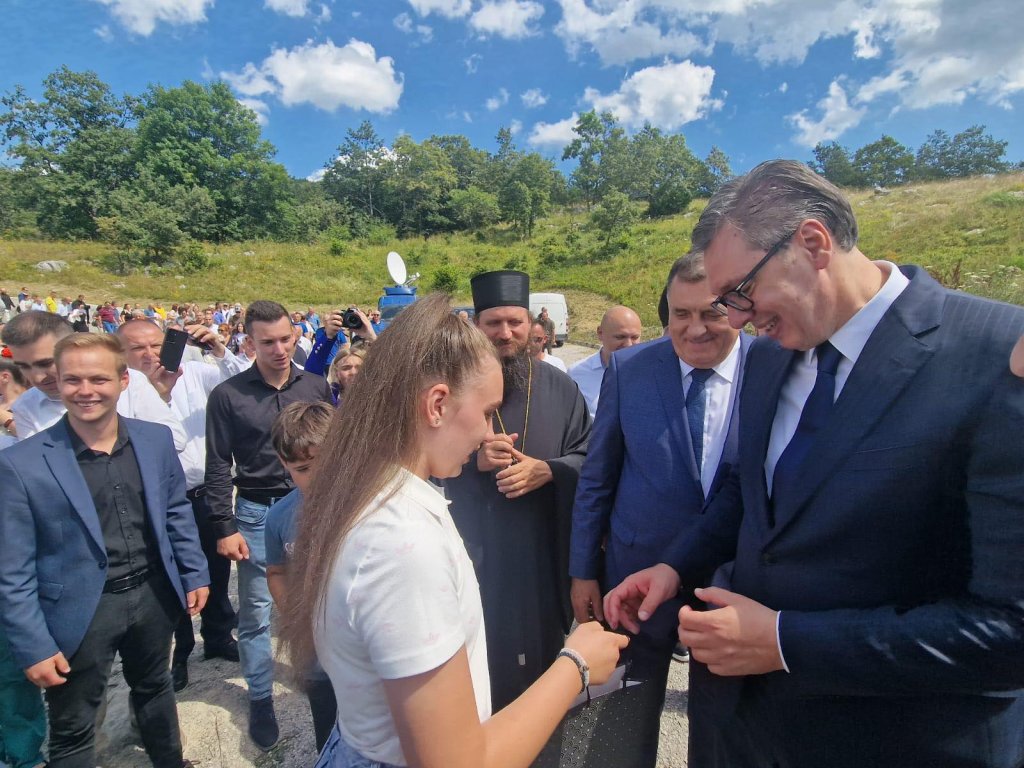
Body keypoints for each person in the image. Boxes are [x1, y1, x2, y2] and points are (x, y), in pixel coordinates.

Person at [604, 159, 1024, 768]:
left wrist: (783, 642)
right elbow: (751, 494)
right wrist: (675, 566)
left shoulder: (997, 356)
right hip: (741, 730)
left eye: (740, 293)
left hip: (894, 741)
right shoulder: (770, 359)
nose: (737, 320)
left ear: (812, 243)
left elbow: (1009, 628)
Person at [280, 293, 627, 768]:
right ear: (437, 404)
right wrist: (577, 666)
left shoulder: (368, 491)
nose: (488, 433)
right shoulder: (402, 546)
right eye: (486, 413)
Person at [570, 253, 749, 768]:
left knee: (721, 734)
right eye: (680, 314)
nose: (695, 329)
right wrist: (583, 570)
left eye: (712, 312)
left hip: (732, 583)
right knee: (621, 727)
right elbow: (598, 476)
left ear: (739, 309)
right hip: (634, 582)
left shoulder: (773, 365)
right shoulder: (631, 368)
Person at [0, 332, 209, 768]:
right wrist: (33, 645)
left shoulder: (153, 440)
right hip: (81, 609)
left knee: (155, 688)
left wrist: (193, 572)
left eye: (98, 379)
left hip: (152, 595)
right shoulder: (22, 463)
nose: (86, 391)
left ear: (123, 381)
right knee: (74, 726)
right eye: (73, 380)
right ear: (59, 382)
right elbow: (13, 568)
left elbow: (174, 510)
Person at [444, 270, 591, 710]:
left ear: (531, 325)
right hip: (479, 553)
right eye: (494, 323)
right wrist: (473, 463)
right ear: (476, 325)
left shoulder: (561, 386)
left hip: (542, 552)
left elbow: (591, 456)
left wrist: (550, 470)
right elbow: (420, 461)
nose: (505, 333)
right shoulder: (452, 388)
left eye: (515, 322)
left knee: (543, 658)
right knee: (478, 661)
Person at [204, 299, 333, 750]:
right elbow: (217, 463)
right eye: (267, 342)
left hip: (314, 508)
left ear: (295, 336)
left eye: (285, 340)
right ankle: (260, 696)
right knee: (258, 612)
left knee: (324, 595)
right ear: (248, 343)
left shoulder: (315, 385)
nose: (279, 350)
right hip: (258, 512)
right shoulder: (228, 395)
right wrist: (224, 526)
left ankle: (326, 677)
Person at [116, 319, 244, 692]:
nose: (150, 354)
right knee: (173, 577)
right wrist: (159, 395)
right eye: (137, 348)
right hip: (157, 501)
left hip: (205, 492)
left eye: (156, 344)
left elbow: (240, 381)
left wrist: (219, 350)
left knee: (217, 568)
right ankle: (181, 651)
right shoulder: (122, 389)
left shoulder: (196, 373)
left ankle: (219, 634)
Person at [1, 311, 186, 450]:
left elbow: (175, 441)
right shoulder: (25, 406)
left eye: (46, 363)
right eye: (23, 366)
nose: (37, 377)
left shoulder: (132, 382)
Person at [264, 401, 337, 752]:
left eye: (328, 461)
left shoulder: (371, 506)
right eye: (305, 468)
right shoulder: (279, 517)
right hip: (316, 653)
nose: (319, 475)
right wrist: (295, 617)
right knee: (327, 725)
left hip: (366, 649)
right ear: (284, 463)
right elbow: (276, 571)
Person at [569, 306, 643, 419]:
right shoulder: (576, 374)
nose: (628, 344)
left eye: (634, 337)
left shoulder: (649, 373)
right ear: (600, 333)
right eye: (620, 337)